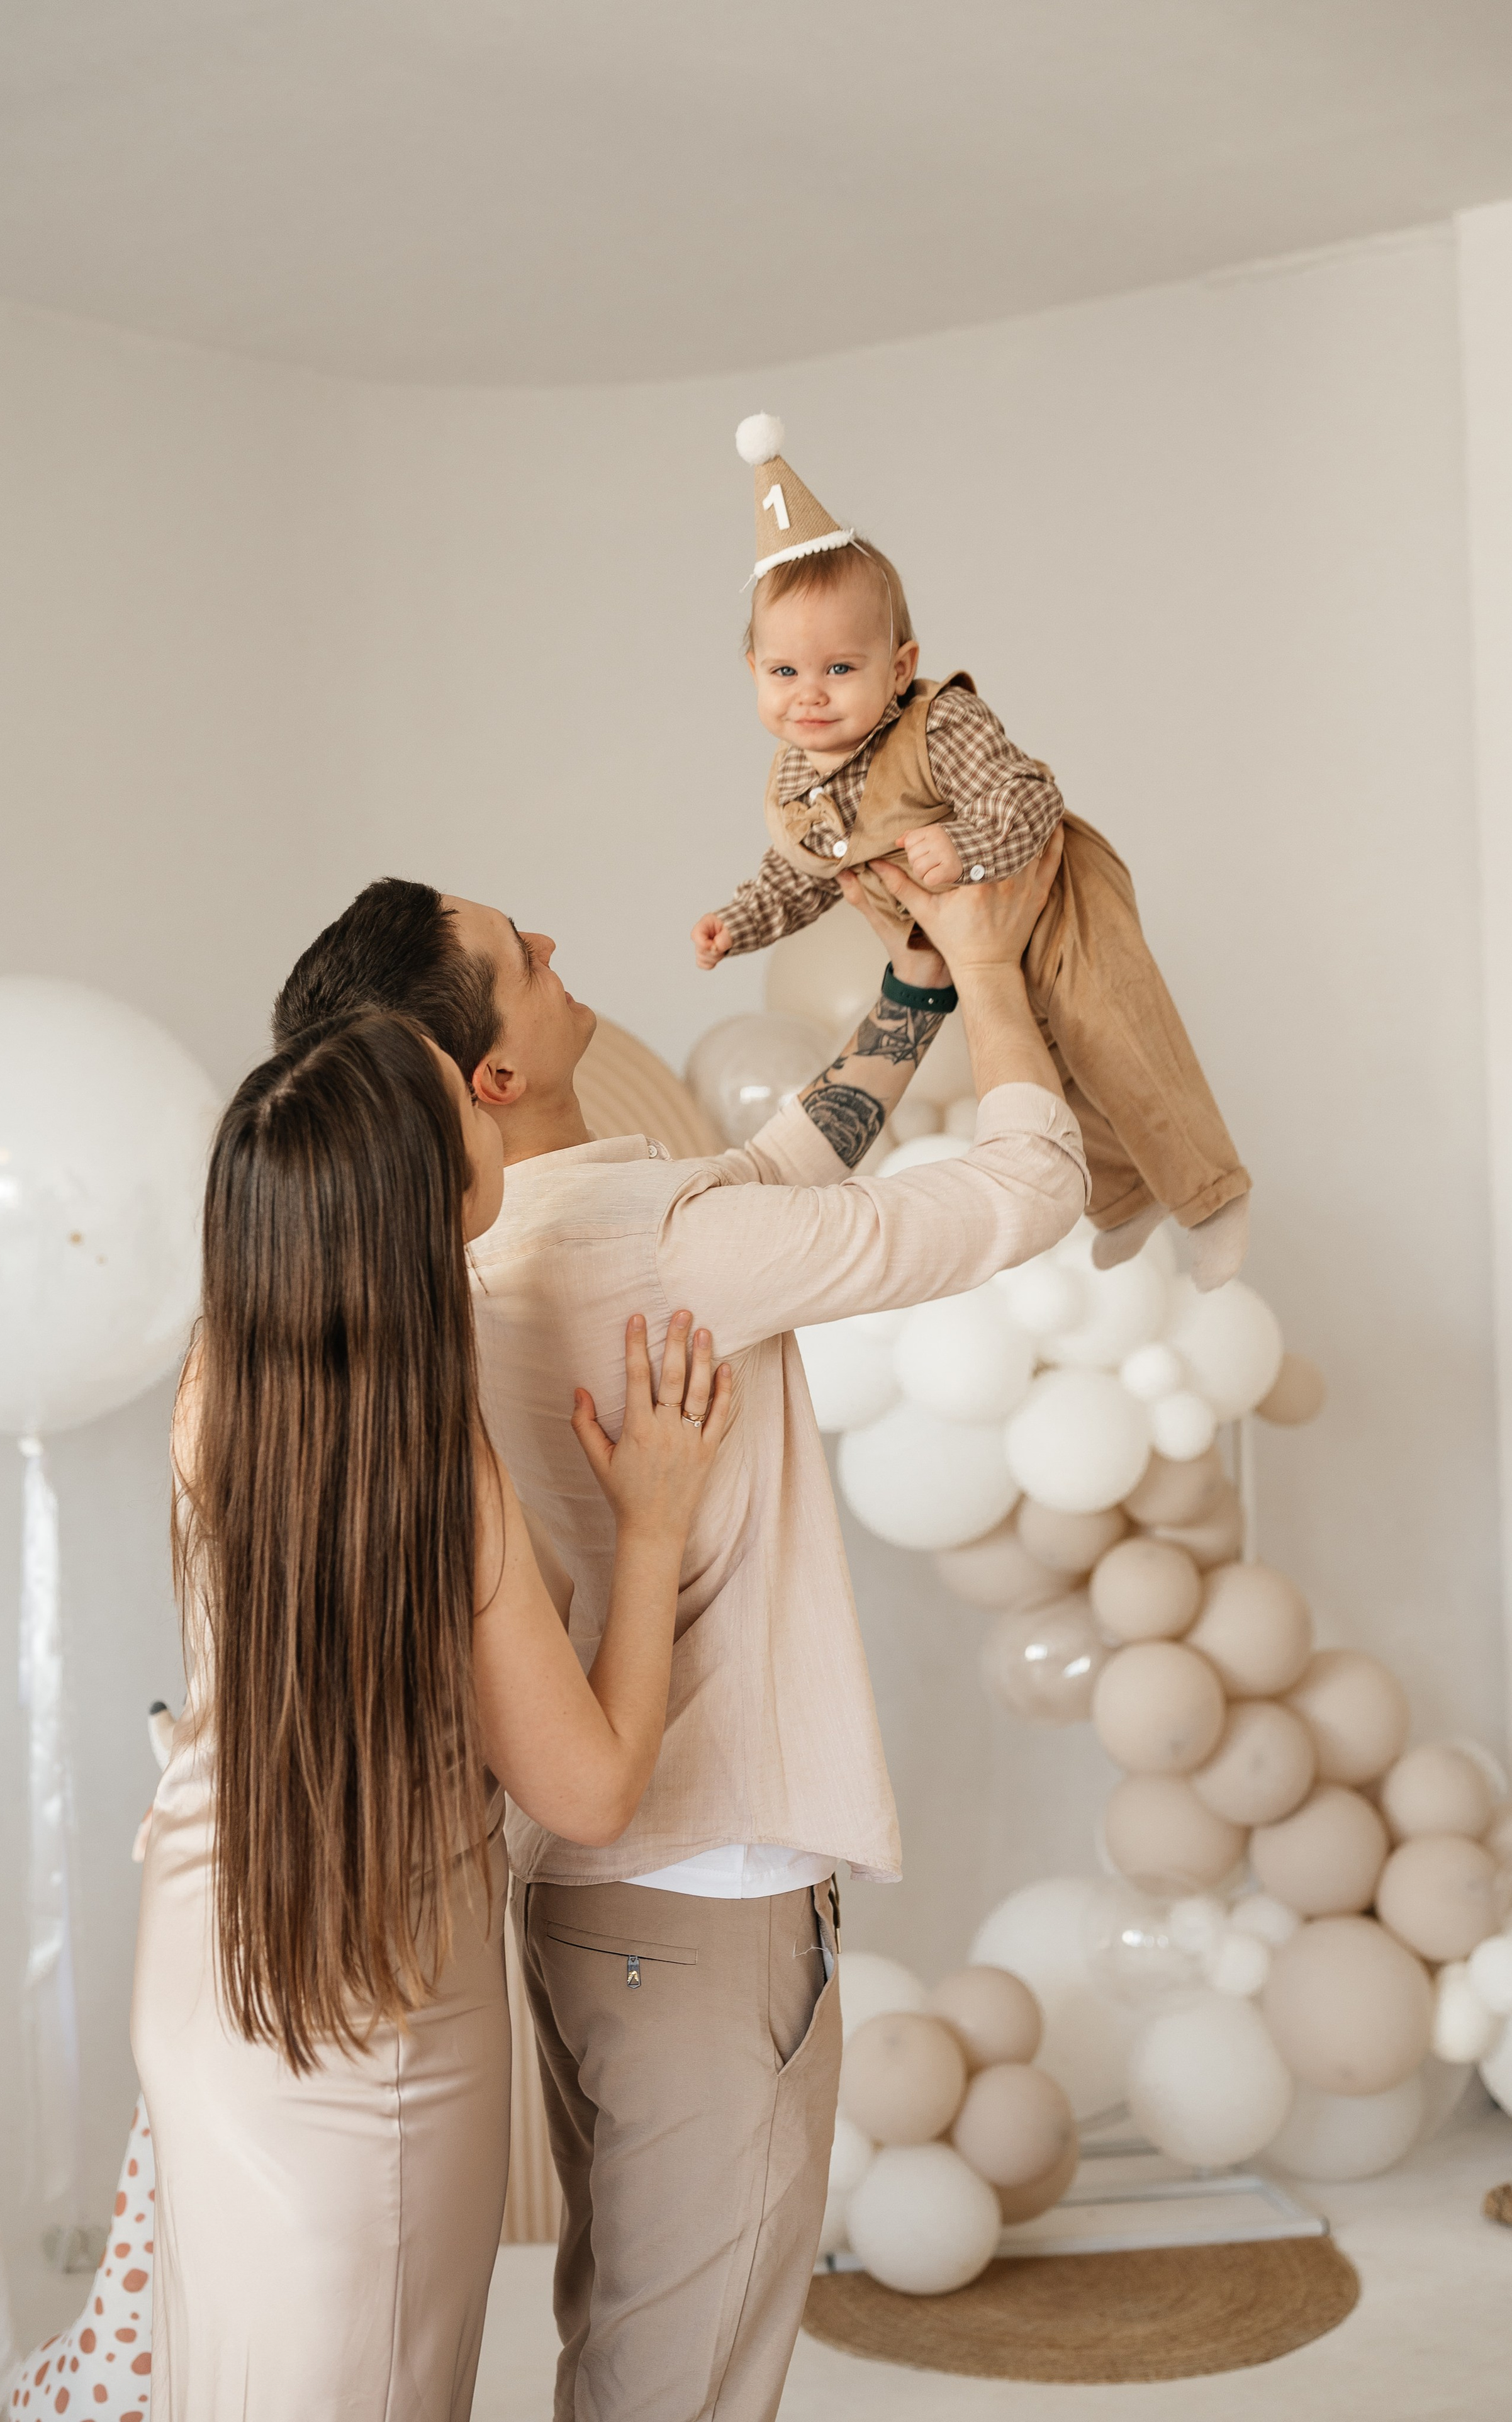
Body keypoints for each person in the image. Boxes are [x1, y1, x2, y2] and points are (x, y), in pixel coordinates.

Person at [269, 843, 1085, 2422]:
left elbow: (767, 1175)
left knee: (631, 2337)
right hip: (709, 1904)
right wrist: (988, 965)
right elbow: (1024, 1194)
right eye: (521, 953)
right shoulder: (678, 1245)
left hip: (585, 1900)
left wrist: (907, 993)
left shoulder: (471, 1254)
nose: (552, 939)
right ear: (492, 1074)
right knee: (683, 2382)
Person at [131, 1008, 730, 2421]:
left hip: (216, 1949)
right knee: (369, 2367)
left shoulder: (224, 1374)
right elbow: (589, 1791)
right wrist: (652, 1524)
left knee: (250, 2359)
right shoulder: (429, 1463)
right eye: (462, 1098)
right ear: (429, 1198)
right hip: (375, 1990)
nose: (486, 1091)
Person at [691, 412, 1250, 1290]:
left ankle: (1212, 1197)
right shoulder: (798, 774)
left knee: (1112, 1032)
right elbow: (802, 871)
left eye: (840, 669)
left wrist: (963, 842)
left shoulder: (937, 722)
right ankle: (1128, 1200)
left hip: (1049, 891)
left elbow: (1028, 796)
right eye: (784, 673)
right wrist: (740, 922)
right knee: (1046, 1066)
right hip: (961, 937)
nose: (810, 696)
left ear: (897, 664)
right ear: (754, 671)